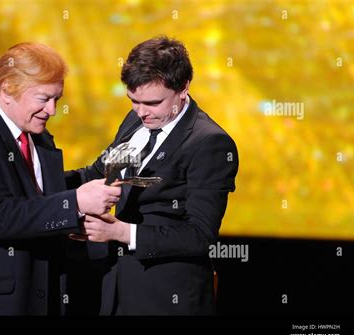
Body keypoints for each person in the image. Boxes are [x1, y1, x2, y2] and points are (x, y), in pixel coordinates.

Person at [0, 42, 121, 315]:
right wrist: (75, 203)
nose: (52, 110)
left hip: (36, 297)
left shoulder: (34, 134)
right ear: (7, 90)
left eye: (57, 100)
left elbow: (37, 191)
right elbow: (1, 215)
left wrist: (96, 175)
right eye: (43, 99)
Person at [66, 36, 239, 315]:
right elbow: (97, 173)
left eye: (153, 102)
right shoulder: (135, 121)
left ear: (183, 88)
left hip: (167, 299)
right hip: (116, 292)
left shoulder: (210, 144)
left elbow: (200, 236)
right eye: (133, 101)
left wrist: (121, 232)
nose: (141, 112)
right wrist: (35, 179)